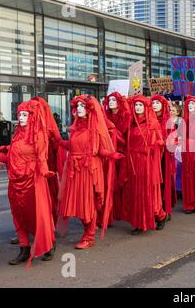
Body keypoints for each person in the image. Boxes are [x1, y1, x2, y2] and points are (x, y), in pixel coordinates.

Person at [57, 95, 122, 249]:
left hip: (89, 169)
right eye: (77, 105)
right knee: (77, 204)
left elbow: (100, 150)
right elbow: (73, 146)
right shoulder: (76, 127)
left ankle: (89, 235)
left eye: (82, 105)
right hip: (75, 169)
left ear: (89, 109)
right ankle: (88, 230)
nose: (78, 108)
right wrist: (58, 141)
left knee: (88, 203)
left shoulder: (95, 128)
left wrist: (112, 154)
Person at [0, 100, 56, 265]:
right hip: (15, 182)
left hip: (32, 182)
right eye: (19, 114)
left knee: (36, 216)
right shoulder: (17, 134)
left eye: (24, 115)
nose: (20, 118)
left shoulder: (39, 134)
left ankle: (49, 243)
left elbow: (41, 157)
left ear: (32, 116)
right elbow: (12, 157)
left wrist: (44, 171)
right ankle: (24, 249)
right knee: (18, 216)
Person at [121, 95, 169, 235]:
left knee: (147, 193)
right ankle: (138, 222)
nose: (137, 107)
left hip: (146, 162)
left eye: (140, 105)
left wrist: (157, 145)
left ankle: (160, 215)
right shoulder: (131, 123)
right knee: (135, 192)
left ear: (146, 107)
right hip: (132, 161)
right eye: (136, 105)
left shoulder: (152, 124)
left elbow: (160, 143)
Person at [103, 92, 131, 223]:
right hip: (108, 152)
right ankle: (112, 211)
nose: (111, 102)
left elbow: (125, 136)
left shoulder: (126, 115)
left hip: (121, 152)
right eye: (110, 100)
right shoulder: (106, 115)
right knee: (110, 182)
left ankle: (121, 211)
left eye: (114, 99)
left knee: (121, 182)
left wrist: (113, 132)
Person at [151, 95, 177, 219]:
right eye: (153, 102)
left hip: (164, 158)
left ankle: (165, 210)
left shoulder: (168, 121)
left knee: (164, 184)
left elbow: (174, 140)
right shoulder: (148, 119)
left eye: (157, 102)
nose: (154, 104)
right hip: (151, 158)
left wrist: (164, 143)